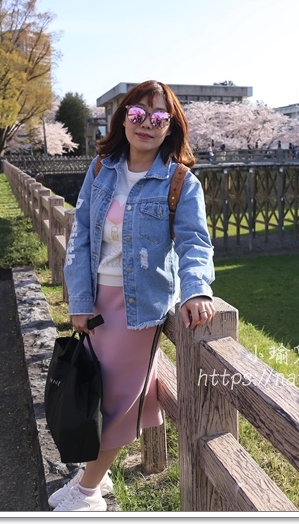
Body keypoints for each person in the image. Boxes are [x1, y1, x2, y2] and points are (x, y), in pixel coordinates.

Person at [54, 81, 216, 512]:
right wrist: (80, 302)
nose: (147, 124)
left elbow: (194, 244)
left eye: (159, 117)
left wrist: (196, 290)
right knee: (100, 391)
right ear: (123, 116)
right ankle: (93, 476)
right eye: (138, 114)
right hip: (98, 302)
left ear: (170, 127)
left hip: (138, 308)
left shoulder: (181, 182)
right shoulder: (100, 169)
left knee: (119, 400)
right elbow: (82, 238)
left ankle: (87, 492)